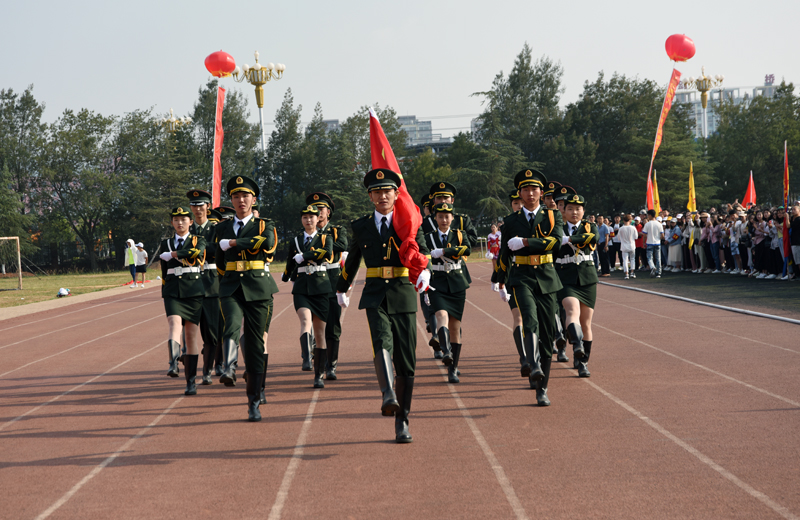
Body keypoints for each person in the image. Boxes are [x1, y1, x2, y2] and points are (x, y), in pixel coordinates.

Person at [335, 168, 431, 443]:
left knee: (407, 361)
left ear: (396, 194)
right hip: (375, 294)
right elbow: (353, 259)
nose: (381, 196)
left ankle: (403, 420)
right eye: (376, 192)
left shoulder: (409, 222)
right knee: (381, 341)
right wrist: (341, 287)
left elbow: (422, 251)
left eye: (386, 191)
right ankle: (388, 392)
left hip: (402, 293)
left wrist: (425, 270)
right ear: (370, 196)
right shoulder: (362, 225)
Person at [496, 169, 564, 406]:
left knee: (547, 333)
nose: (530, 193)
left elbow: (555, 243)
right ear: (520, 193)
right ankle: (533, 365)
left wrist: (526, 242)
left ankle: (541, 388)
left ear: (541, 192)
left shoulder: (553, 216)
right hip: (521, 276)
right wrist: (500, 278)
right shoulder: (511, 221)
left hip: (546, 277)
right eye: (525, 189)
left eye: (534, 189)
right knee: (529, 318)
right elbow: (505, 251)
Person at [214, 175, 279, 422]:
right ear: (231, 200)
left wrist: (232, 243)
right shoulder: (220, 226)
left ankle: (253, 401)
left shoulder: (265, 225)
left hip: (259, 288)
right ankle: (229, 367)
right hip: (230, 286)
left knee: (254, 346)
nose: (241, 200)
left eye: (245, 196)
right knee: (230, 322)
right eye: (236, 196)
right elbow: (217, 258)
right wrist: (228, 248)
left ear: (254, 199)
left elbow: (267, 245)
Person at [282, 205, 334, 388]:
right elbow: (290, 260)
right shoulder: (295, 240)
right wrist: (286, 275)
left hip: (320, 285)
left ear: (317, 218)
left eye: (312, 217)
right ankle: (306, 358)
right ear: (301, 220)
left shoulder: (325, 238)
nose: (308, 220)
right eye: (305, 217)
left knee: (320, 333)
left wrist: (304, 255)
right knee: (305, 320)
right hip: (302, 286)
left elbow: (326, 253)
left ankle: (319, 375)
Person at [157, 207, 205, 395]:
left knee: (191, 335)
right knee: (173, 323)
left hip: (193, 290)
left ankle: (191, 381)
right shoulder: (166, 243)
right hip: (172, 289)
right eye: (176, 220)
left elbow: (196, 253)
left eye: (184, 219)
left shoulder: (198, 240)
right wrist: (164, 289)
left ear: (191, 222)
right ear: (172, 223)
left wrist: (175, 255)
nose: (180, 223)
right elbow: (163, 269)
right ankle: (173, 362)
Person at [425, 202, 471, 383]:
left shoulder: (460, 235)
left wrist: (444, 251)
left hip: (457, 283)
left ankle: (453, 367)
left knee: (455, 327)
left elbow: (466, 249)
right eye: (440, 216)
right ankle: (446, 351)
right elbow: (423, 253)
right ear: (435, 218)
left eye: (447, 216)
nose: (444, 220)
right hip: (437, 282)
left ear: (452, 218)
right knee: (441, 315)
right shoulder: (428, 237)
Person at [554, 190, 598, 378]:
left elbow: (591, 239)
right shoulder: (557, 228)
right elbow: (553, 244)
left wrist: (568, 239)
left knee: (586, 323)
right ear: (563, 211)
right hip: (566, 278)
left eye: (578, 209)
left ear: (583, 211)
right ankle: (577, 345)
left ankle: (583, 362)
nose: (574, 212)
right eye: (570, 209)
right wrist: (561, 239)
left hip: (587, 279)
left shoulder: (590, 226)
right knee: (572, 311)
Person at [307, 191, 349, 380]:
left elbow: (341, 244)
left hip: (331, 281)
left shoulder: (337, 230)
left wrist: (320, 246)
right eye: (314, 210)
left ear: (328, 212)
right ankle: (317, 363)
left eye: (321, 209)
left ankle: (331, 364)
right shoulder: (306, 233)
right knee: (314, 325)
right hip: (311, 283)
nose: (317, 212)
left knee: (332, 327)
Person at [187, 189, 221, 386]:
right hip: (189, 284)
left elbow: (218, 250)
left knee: (211, 333)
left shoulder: (217, 230)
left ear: (208, 207)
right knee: (188, 330)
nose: (198, 209)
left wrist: (197, 249)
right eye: (194, 205)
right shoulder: (186, 228)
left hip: (211, 283)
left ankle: (207, 371)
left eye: (201, 205)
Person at [498, 189, 527, 373]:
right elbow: (504, 254)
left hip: (539, 276)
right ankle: (524, 357)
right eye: (516, 204)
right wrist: (500, 279)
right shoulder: (508, 224)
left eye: (522, 203)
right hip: (515, 275)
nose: (519, 206)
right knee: (518, 317)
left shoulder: (539, 219)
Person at [419, 193, 442, 359]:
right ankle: (438, 339)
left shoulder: (423, 222)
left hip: (433, 267)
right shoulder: (425, 223)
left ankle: (430, 324)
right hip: (433, 267)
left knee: (432, 306)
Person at [641, 209, 664, 278]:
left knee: (649, 257)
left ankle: (652, 267)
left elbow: (644, 235)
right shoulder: (659, 224)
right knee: (658, 258)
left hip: (650, 242)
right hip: (657, 243)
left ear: (650, 215)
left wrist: (643, 242)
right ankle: (659, 273)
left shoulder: (647, 224)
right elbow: (662, 235)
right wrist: (659, 239)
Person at [617, 214, 638, 279]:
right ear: (630, 220)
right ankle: (632, 272)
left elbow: (619, 238)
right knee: (632, 259)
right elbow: (636, 237)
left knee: (625, 260)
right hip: (631, 245)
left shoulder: (621, 228)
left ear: (623, 220)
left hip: (624, 246)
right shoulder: (633, 228)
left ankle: (626, 274)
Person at [487, 223, 501, 291]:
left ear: (497, 228)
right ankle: (495, 279)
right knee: (494, 265)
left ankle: (500, 277)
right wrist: (489, 251)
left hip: (499, 250)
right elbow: (489, 244)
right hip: (493, 250)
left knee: (500, 264)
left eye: (494, 227)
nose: (493, 228)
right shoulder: (490, 235)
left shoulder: (499, 234)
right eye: (492, 227)